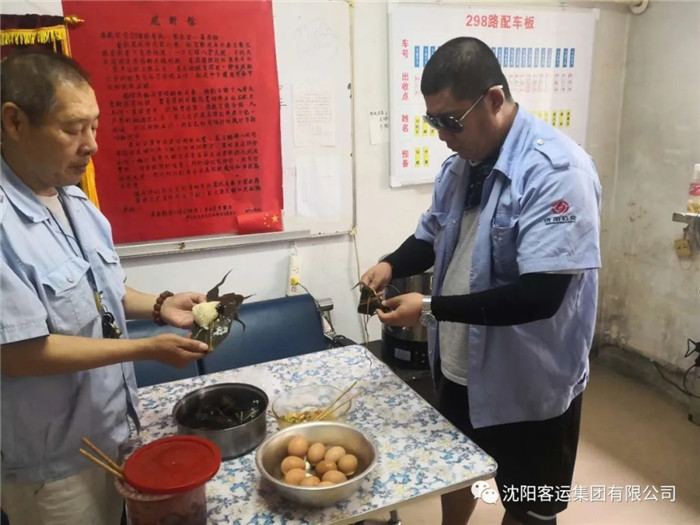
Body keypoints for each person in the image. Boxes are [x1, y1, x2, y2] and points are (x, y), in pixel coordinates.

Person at [362, 37, 601, 525]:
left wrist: (430, 309)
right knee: (459, 468)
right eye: (433, 122)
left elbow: (541, 296)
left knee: (528, 504)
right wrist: (390, 264)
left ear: (493, 99)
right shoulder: (460, 167)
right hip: (459, 363)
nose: (442, 135)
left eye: (451, 120)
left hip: (528, 381)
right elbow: (431, 235)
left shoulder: (557, 172)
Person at [0, 50, 210, 525]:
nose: (91, 145)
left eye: (94, 126)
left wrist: (160, 306)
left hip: (113, 429)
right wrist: (145, 349)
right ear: (14, 122)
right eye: (73, 129)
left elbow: (101, 293)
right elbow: (19, 352)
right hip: (52, 465)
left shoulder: (74, 201)